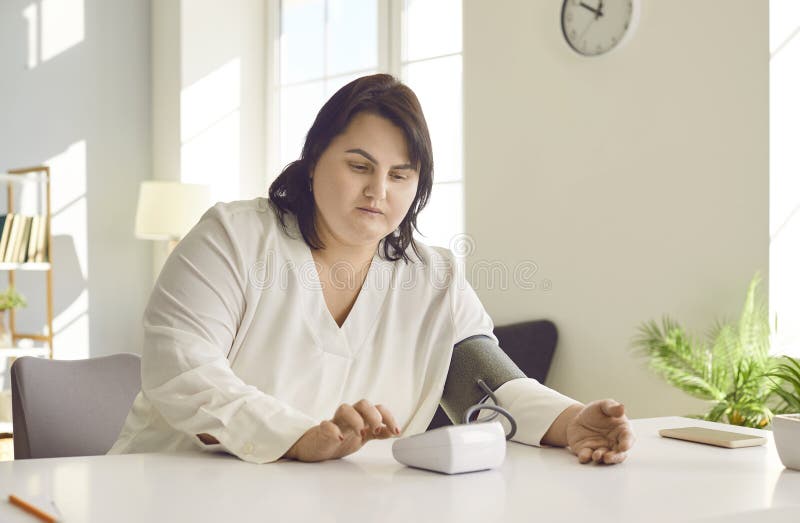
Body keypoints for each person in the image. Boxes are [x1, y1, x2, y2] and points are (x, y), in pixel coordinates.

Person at [109, 74, 634, 465]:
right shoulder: (233, 238)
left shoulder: (434, 278)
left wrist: (571, 422)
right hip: (169, 493)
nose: (378, 191)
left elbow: (486, 386)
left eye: (400, 175)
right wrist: (295, 435)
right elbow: (182, 371)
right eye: (359, 165)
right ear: (314, 160)